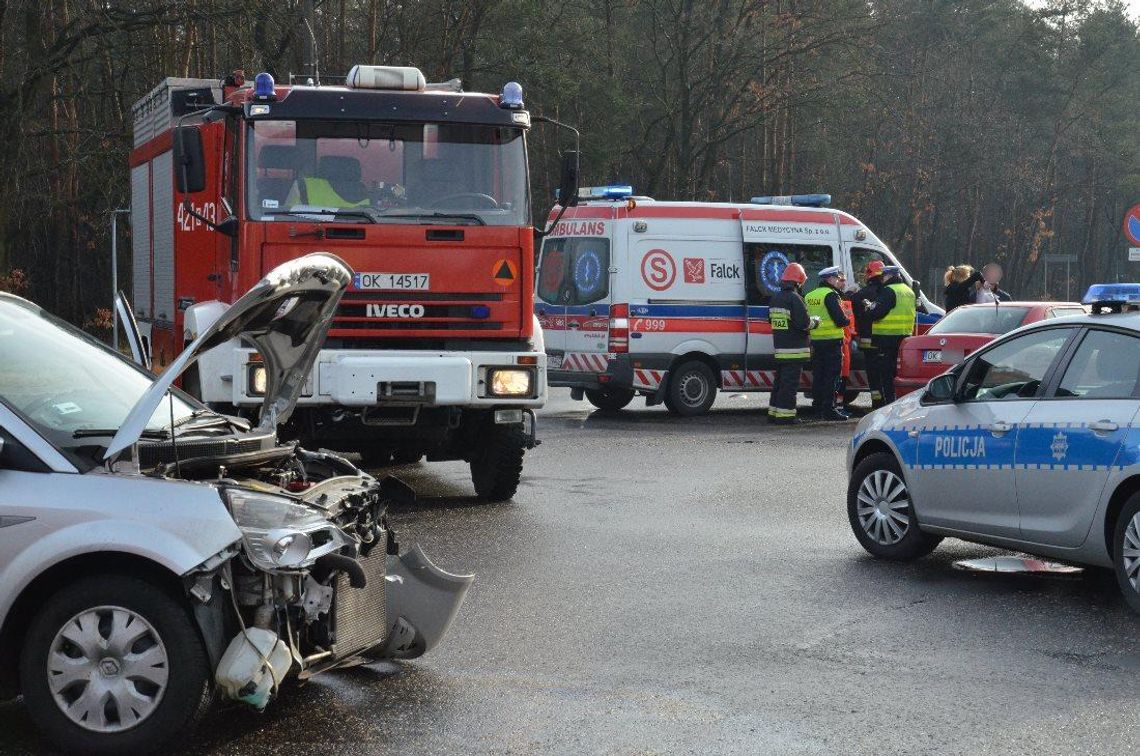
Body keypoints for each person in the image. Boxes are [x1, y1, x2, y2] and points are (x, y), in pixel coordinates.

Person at [768, 262, 815, 425]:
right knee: (790, 385)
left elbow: (772, 321)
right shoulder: (795, 299)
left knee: (780, 383)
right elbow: (803, 323)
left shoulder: (775, 299)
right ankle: (786, 417)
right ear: (797, 281)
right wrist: (814, 322)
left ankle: (774, 413)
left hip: (780, 349)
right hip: (795, 350)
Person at [805, 266, 851, 421]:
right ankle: (829, 410)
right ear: (830, 279)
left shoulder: (809, 295)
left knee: (819, 376)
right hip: (832, 342)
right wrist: (848, 320)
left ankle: (817, 408)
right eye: (836, 278)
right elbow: (839, 320)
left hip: (817, 341)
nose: (838, 281)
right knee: (832, 377)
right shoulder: (831, 295)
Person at [866, 265, 916, 405]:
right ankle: (899, 402)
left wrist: (869, 309)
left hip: (886, 339)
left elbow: (877, 313)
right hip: (904, 337)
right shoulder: (908, 291)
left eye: (884, 276)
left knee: (886, 375)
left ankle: (889, 403)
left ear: (889, 276)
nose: (882, 279)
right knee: (898, 372)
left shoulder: (889, 291)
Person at [852, 260, 886, 408]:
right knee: (886, 372)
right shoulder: (888, 292)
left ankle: (876, 402)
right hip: (886, 341)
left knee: (873, 374)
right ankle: (887, 401)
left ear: (869, 275)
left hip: (867, 341)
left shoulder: (861, 294)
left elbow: (854, 313)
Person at [836, 273, 857, 413]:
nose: (843, 283)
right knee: (839, 376)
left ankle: (838, 404)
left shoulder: (843, 300)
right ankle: (837, 405)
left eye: (844, 280)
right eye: (840, 280)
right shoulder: (837, 300)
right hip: (840, 342)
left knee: (843, 376)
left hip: (845, 342)